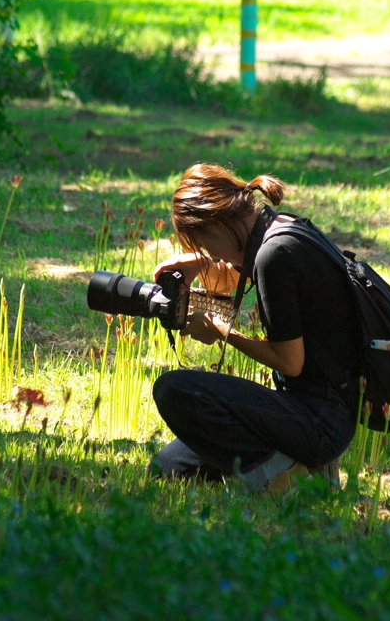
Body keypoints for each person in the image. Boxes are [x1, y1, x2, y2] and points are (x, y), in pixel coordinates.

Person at [149, 163, 359, 493]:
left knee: (174, 390)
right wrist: (198, 264)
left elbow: (291, 362)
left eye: (203, 246)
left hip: (320, 421)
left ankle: (289, 481)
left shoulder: (274, 257)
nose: (207, 255)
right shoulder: (282, 228)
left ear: (217, 224)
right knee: (170, 467)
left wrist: (222, 332)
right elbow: (247, 269)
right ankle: (303, 468)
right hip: (310, 409)